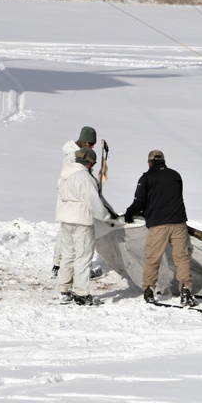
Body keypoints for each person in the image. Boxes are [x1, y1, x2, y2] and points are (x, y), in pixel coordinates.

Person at [124, 150, 195, 307]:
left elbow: (139, 203)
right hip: (178, 222)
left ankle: (149, 290)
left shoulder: (146, 178)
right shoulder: (175, 175)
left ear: (149, 163)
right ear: (163, 161)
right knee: (181, 257)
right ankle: (186, 290)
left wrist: (130, 213)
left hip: (158, 225)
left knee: (153, 258)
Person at [55, 147, 112, 306]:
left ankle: (64, 290)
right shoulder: (84, 177)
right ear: (89, 162)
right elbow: (93, 200)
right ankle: (81, 293)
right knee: (83, 257)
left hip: (66, 218)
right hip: (81, 219)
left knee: (68, 255)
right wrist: (105, 217)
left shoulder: (65, 174)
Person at [53, 126, 98, 277]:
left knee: (66, 233)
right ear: (86, 143)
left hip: (67, 199)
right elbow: (80, 178)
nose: (92, 147)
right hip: (75, 199)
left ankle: (59, 266)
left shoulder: (72, 152)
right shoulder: (74, 156)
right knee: (77, 246)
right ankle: (69, 270)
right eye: (91, 145)